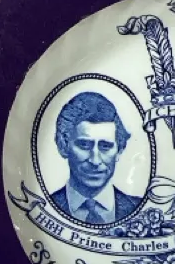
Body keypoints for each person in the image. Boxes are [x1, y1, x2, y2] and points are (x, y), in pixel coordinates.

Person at [51, 92, 141, 223]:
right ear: (63, 146)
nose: (95, 160)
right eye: (84, 145)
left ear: (119, 151)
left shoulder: (140, 209)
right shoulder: (46, 206)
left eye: (105, 146)